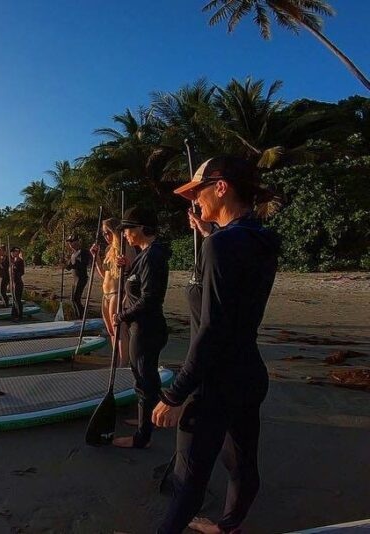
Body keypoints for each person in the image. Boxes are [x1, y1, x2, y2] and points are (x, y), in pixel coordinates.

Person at [152, 157, 280, 534]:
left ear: (221, 187)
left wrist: (175, 395)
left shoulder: (222, 247)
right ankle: (229, 527)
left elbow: (211, 331)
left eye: (198, 192)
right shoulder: (258, 240)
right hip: (248, 374)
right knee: (241, 465)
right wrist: (212, 233)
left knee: (187, 480)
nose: (194, 203)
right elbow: (236, 293)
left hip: (214, 382)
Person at [110, 206, 171, 449]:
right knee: (147, 379)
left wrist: (121, 315)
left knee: (144, 381)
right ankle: (147, 417)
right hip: (143, 327)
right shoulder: (145, 254)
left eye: (128, 229)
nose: (124, 234)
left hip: (146, 328)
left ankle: (142, 437)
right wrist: (129, 266)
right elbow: (138, 285)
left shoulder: (153, 256)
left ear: (143, 229)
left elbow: (149, 299)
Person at [91, 218, 136, 366]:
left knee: (119, 330)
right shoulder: (109, 250)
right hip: (106, 293)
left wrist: (126, 264)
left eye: (108, 233)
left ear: (115, 231)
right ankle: (115, 361)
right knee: (111, 331)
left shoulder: (126, 247)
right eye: (103, 234)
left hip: (118, 293)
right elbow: (105, 274)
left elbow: (133, 271)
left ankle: (123, 364)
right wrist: (96, 258)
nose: (105, 236)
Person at [65, 234, 93, 319]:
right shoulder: (73, 254)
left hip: (82, 278)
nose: (71, 245)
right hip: (75, 279)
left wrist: (73, 265)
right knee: (72, 299)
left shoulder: (83, 252)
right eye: (70, 243)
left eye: (73, 242)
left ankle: (82, 317)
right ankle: (78, 316)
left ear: (77, 242)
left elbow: (83, 264)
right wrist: (64, 264)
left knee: (76, 299)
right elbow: (70, 267)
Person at [10, 246, 25, 321]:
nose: (12, 253)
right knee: (14, 299)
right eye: (11, 252)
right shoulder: (13, 261)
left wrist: (15, 270)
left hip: (18, 283)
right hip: (13, 283)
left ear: (17, 252)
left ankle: (20, 316)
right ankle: (14, 314)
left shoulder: (20, 261)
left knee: (17, 299)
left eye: (13, 252)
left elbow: (22, 272)